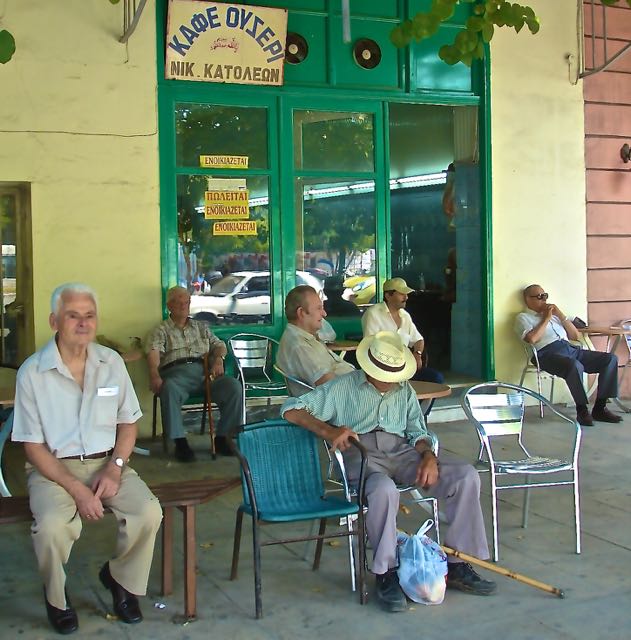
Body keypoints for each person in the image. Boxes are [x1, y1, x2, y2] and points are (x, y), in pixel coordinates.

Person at [281, 331, 496, 612]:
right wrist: (330, 430)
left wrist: (429, 455)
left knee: (465, 476)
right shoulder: (341, 387)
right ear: (370, 368)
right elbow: (290, 408)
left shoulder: (403, 389)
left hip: (402, 452)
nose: (393, 380)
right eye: (386, 373)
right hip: (362, 453)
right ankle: (386, 573)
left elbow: (417, 431)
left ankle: (457, 565)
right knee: (383, 489)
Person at [11, 283, 163, 635]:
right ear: (54, 321)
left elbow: (128, 422)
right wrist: (77, 491)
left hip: (108, 463)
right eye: (73, 315)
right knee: (51, 527)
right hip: (54, 470)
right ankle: (56, 598)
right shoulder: (32, 373)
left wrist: (116, 466)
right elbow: (33, 447)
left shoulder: (111, 363)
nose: (83, 323)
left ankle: (119, 579)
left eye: (89, 315)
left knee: (148, 512)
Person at [146, 286, 243, 461]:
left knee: (233, 387)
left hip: (203, 373)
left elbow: (219, 345)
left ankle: (222, 439)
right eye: (179, 303)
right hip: (176, 374)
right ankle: (180, 443)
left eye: (187, 302)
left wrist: (219, 359)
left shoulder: (201, 327)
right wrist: (154, 375)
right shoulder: (161, 329)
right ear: (169, 306)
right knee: (169, 388)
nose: (184, 306)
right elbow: (154, 352)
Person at [515, 284, 622, 426]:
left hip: (570, 350)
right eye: (539, 297)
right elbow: (532, 339)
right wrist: (546, 319)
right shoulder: (523, 318)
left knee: (609, 359)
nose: (544, 300)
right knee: (573, 365)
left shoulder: (555, 317)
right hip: (546, 354)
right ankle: (582, 410)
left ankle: (600, 408)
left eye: (545, 296)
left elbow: (575, 335)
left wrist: (560, 315)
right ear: (527, 300)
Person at [361, 277, 444, 387]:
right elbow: (369, 344)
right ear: (388, 295)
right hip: (382, 369)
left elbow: (418, 340)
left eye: (406, 294)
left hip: (405, 367)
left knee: (435, 379)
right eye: (401, 294)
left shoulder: (405, 316)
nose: (406, 297)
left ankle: (415, 404)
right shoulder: (373, 314)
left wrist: (417, 354)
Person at [276, 285, 354, 396]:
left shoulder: (306, 337)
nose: (324, 314)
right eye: (318, 308)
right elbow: (331, 387)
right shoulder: (300, 347)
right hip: (338, 404)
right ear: (301, 313)